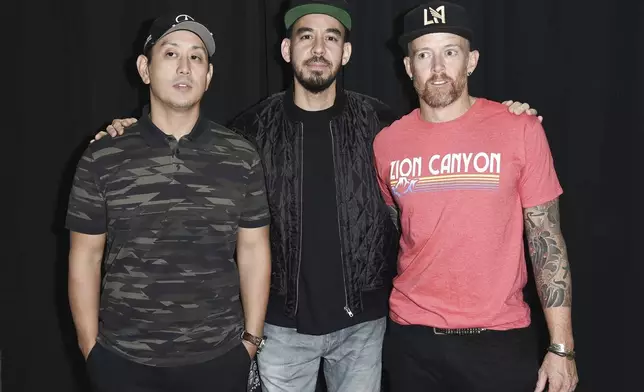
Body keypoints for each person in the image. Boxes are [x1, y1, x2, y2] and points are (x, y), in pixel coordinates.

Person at [95, 1, 540, 391]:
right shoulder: (249, 131)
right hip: (280, 329)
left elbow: (443, 128)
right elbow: (192, 146)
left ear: (345, 52)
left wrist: (508, 114)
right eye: (306, 36)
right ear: (288, 50)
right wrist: (136, 128)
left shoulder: (382, 126)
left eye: (332, 37)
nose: (319, 48)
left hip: (364, 329)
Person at [374, 2, 579, 392]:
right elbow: (393, 227)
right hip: (411, 341)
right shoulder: (386, 144)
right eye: (423, 54)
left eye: (450, 52)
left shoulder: (520, 129)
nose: (437, 68)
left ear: (472, 61)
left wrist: (562, 347)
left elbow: (546, 241)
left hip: (497, 341)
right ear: (407, 66)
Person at [66, 13, 271, 392]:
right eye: (170, 53)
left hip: (219, 359)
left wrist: (250, 342)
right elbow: (85, 256)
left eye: (196, 57)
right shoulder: (102, 156)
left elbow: (254, 249)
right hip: (123, 361)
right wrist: (90, 348)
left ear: (208, 76)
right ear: (145, 68)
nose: (184, 67)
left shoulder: (242, 156)